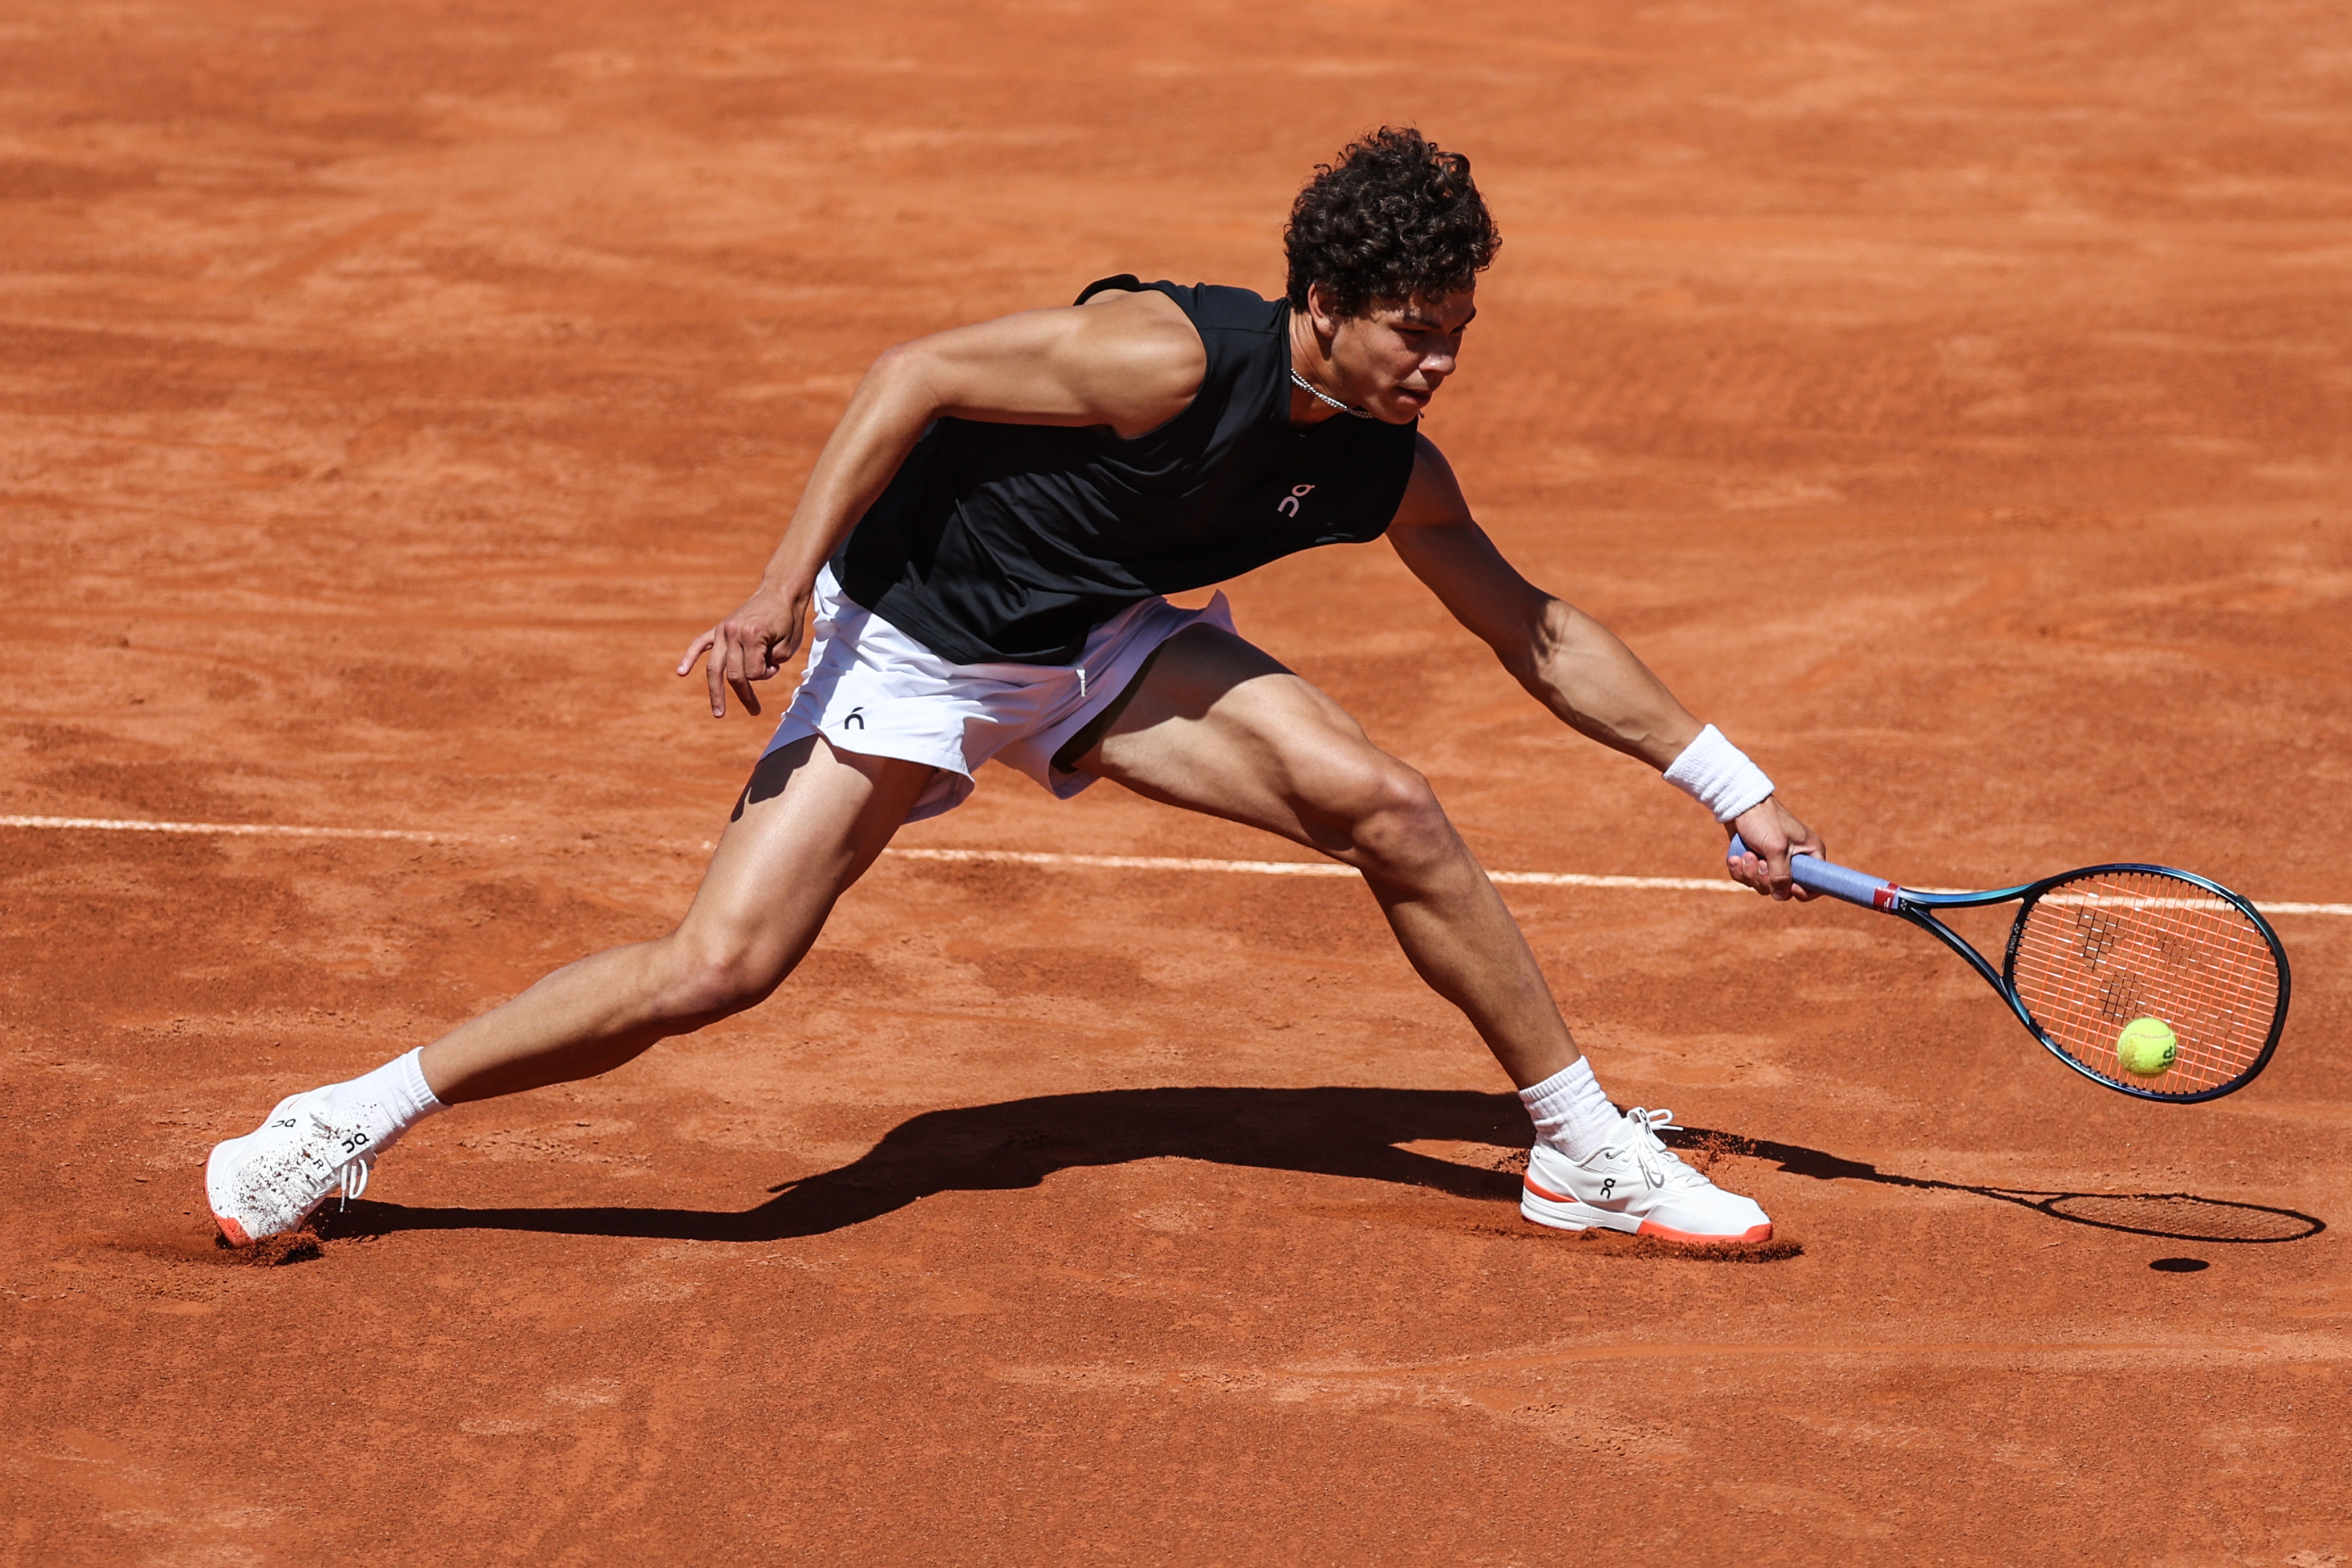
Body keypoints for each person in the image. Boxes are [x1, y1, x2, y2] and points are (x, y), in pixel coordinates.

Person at [206, 127, 1824, 1250]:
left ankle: (1580, 1146)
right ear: (1320, 303)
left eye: (1461, 331)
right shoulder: (1163, 357)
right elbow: (908, 375)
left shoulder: (1383, 465)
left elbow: (1529, 627)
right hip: (913, 649)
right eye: (1415, 330)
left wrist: (1726, 780)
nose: (1441, 363)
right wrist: (781, 587)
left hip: (1099, 643)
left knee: (1387, 806)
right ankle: (348, 1118)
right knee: (717, 968)